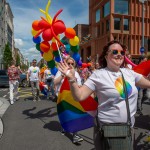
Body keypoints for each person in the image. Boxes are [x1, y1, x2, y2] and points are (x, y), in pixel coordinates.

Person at [58, 40, 150, 149]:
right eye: (115, 51)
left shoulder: (129, 73)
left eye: (122, 52)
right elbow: (79, 96)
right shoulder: (98, 75)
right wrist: (72, 80)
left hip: (128, 129)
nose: (119, 54)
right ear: (106, 56)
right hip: (109, 130)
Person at [54, 57, 83, 144]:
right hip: (62, 97)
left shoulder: (76, 73)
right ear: (66, 64)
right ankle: (64, 126)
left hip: (73, 97)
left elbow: (79, 85)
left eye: (72, 64)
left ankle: (75, 135)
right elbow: (55, 82)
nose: (70, 65)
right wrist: (63, 75)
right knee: (65, 115)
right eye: (68, 63)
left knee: (75, 115)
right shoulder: (60, 72)